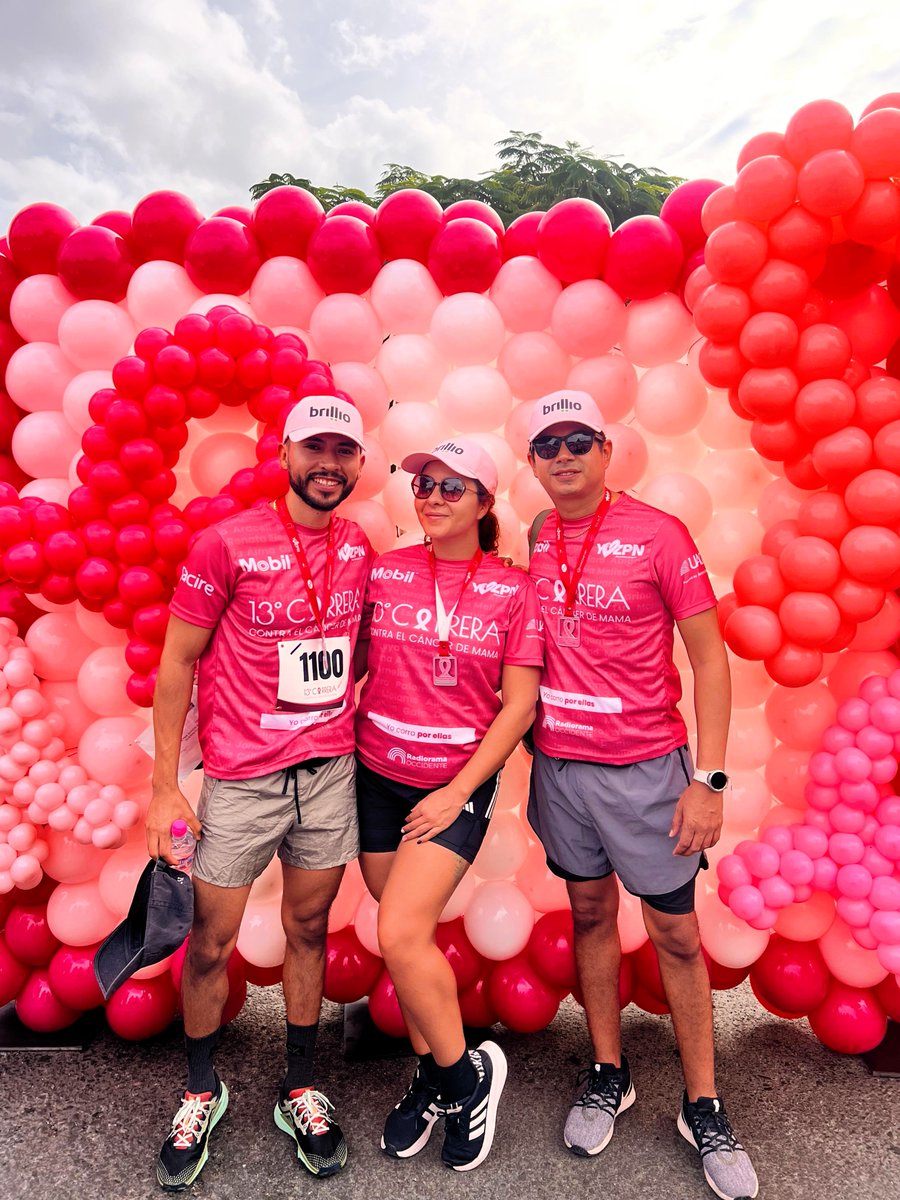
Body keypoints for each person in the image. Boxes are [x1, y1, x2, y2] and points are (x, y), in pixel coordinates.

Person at [524, 389, 759, 1200]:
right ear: (532, 461)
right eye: (547, 443)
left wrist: (710, 780)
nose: (564, 455)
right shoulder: (537, 534)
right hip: (560, 769)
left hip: (647, 772)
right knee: (589, 915)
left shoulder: (661, 534)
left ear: (605, 451)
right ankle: (607, 1072)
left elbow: (711, 660)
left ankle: (704, 1104)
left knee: (677, 935)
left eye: (578, 440)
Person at [146, 393, 373, 1191]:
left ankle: (301, 1086)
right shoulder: (224, 545)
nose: (329, 465)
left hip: (329, 771)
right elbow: (177, 662)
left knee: (307, 928)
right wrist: (164, 786)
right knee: (211, 940)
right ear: (283, 455)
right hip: (242, 779)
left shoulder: (360, 547)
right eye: (315, 448)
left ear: (358, 465)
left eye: (344, 452)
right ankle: (201, 1089)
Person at [354, 436, 544, 1172]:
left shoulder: (513, 589)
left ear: (485, 503)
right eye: (424, 486)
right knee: (400, 933)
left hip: (451, 785)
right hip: (374, 774)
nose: (432, 497)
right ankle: (438, 1075)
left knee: (400, 934)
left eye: (452, 488)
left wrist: (456, 792)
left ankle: (467, 1082)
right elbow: (352, 665)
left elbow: (518, 707)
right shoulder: (387, 572)